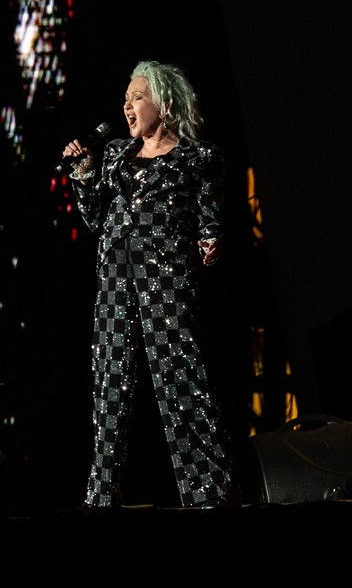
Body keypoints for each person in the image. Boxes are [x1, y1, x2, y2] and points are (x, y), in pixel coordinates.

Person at [61, 60, 239, 509]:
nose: (127, 105)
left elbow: (210, 219)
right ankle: (103, 493)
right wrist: (83, 172)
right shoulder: (117, 153)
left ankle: (208, 493)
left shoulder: (198, 158)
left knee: (182, 379)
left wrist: (211, 240)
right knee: (110, 383)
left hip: (166, 282)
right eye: (126, 98)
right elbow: (96, 217)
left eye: (137, 97)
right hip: (115, 282)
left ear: (164, 102)